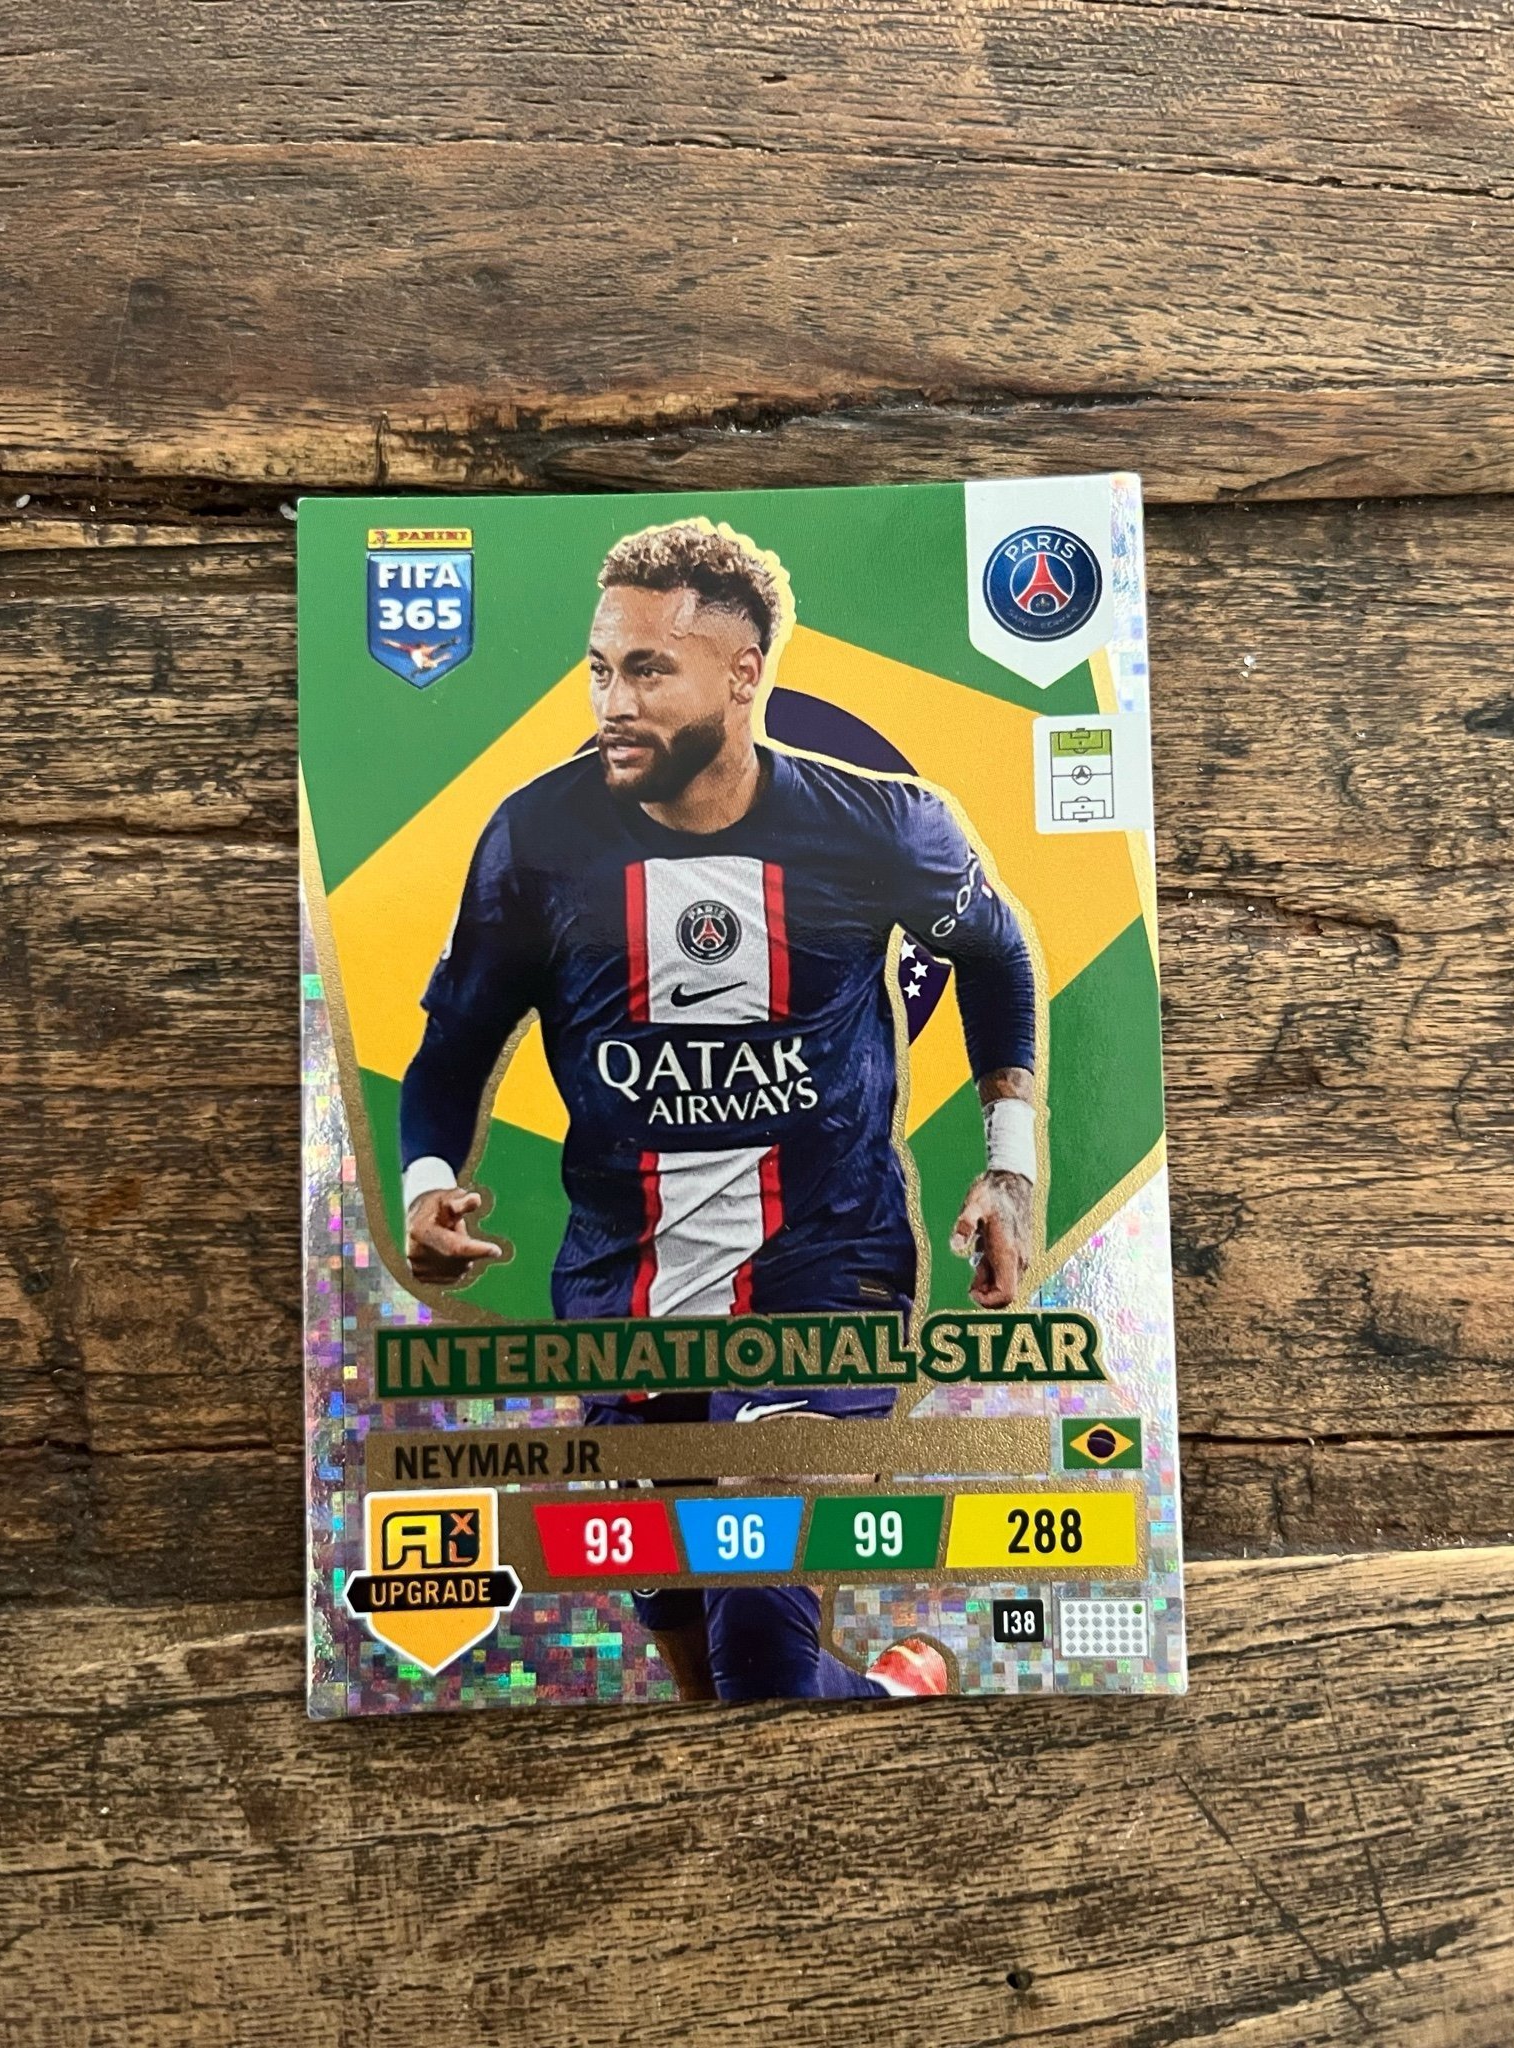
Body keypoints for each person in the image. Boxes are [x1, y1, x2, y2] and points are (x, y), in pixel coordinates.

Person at [399, 521, 1038, 1700]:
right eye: (602, 668)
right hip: (622, 1299)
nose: (615, 701)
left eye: (650, 670)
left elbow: (996, 957)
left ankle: (870, 1687)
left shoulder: (877, 827)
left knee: (761, 1653)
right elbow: (453, 1047)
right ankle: (886, 1691)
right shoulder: (535, 840)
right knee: (698, 1663)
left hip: (825, 1272)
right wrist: (426, 1182)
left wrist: (1010, 1164)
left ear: (744, 675)